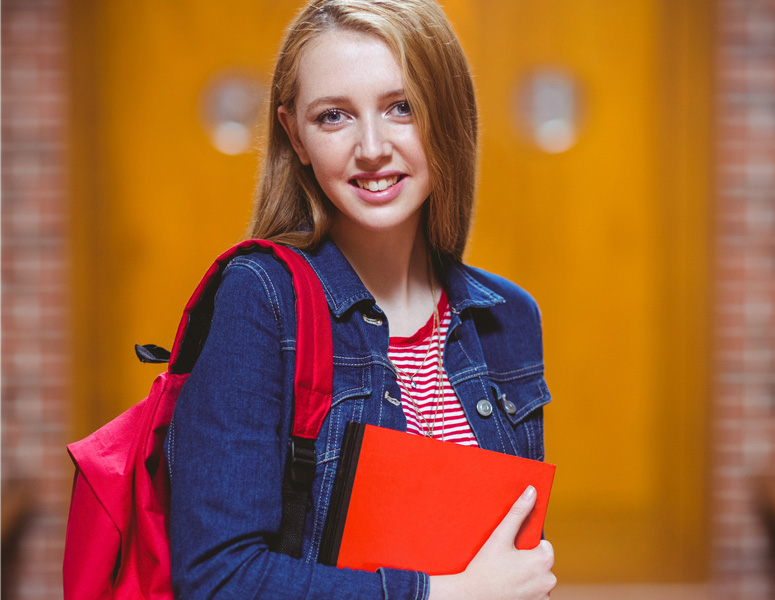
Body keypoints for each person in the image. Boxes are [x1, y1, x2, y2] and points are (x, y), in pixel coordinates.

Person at [167, 0, 557, 598]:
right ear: (294, 135)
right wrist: (438, 595)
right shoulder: (262, 301)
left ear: (447, 116)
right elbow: (218, 578)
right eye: (333, 117)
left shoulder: (507, 317)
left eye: (402, 107)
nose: (372, 147)